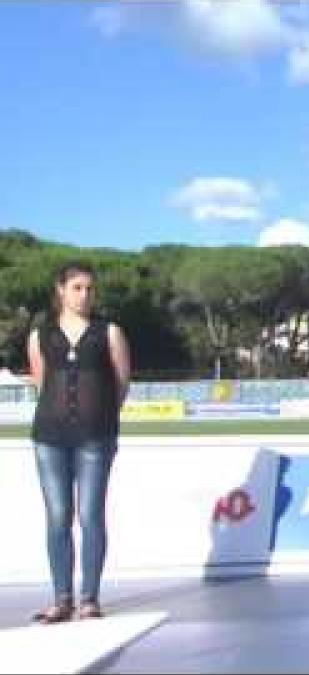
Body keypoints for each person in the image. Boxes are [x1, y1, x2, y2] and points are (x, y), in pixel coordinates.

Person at [26, 261, 130, 623]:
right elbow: (42, 384)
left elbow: (121, 384)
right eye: (77, 287)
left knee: (90, 516)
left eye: (89, 288)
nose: (84, 295)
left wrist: (99, 417)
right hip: (50, 438)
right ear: (61, 290)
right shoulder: (41, 334)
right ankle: (61, 598)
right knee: (58, 517)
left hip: (95, 439)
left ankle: (89, 598)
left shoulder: (109, 332)